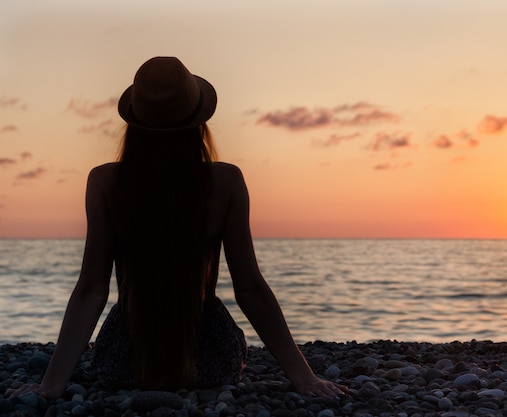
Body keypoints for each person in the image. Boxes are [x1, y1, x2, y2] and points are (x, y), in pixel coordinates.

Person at [7, 57, 348, 399]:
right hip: (211, 358)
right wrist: (304, 378)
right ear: (199, 123)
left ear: (134, 122)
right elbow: (250, 289)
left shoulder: (105, 182)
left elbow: (91, 290)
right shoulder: (226, 182)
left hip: (126, 361)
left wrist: (51, 385)